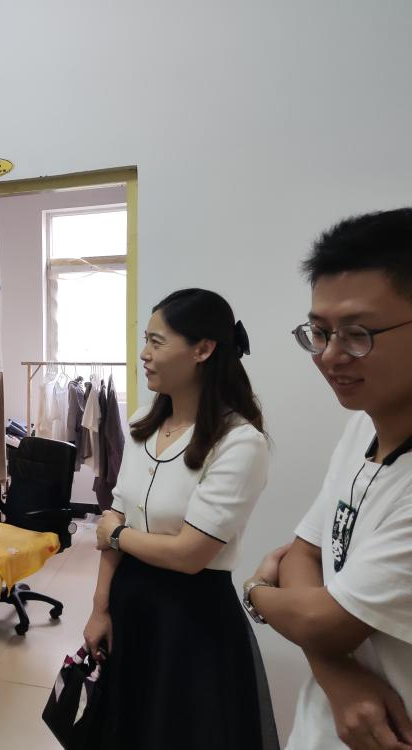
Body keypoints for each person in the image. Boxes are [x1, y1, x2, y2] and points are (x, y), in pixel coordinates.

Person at [246, 209, 412, 750]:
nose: (330, 356)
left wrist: (256, 591)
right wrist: (337, 676)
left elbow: (325, 622)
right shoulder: (363, 426)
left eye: (358, 334)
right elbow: (304, 552)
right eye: (319, 332)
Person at [83, 288, 277, 749]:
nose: (144, 355)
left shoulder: (239, 443)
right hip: (129, 604)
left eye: (157, 342)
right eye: (145, 341)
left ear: (203, 349)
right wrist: (99, 608)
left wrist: (117, 535)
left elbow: (191, 554)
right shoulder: (141, 426)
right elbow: (116, 511)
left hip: (191, 618)